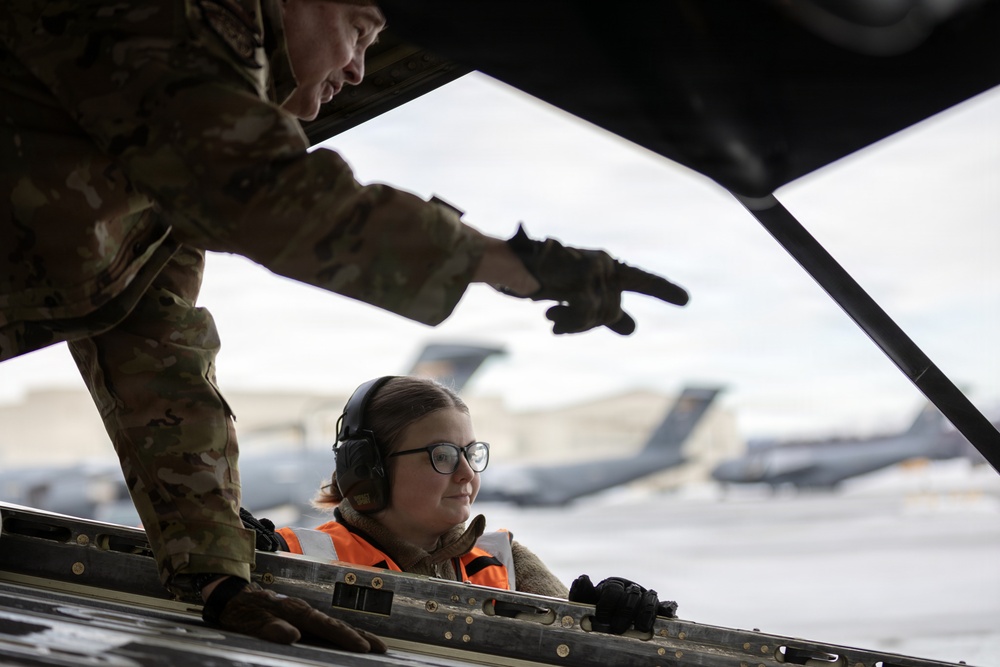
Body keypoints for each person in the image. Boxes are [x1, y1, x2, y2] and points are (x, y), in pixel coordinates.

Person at [0, 0, 686, 652]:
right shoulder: (156, 20)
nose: (359, 67)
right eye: (360, 28)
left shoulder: (161, 189)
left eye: (469, 455)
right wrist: (506, 261)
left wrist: (213, 578)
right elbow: (262, 187)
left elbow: (161, 365)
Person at [259, 376, 677, 635]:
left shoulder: (502, 561)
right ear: (369, 468)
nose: (467, 475)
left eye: (471, 453)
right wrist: (242, 557)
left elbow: (573, 637)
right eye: (442, 455)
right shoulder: (295, 557)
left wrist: (613, 620)